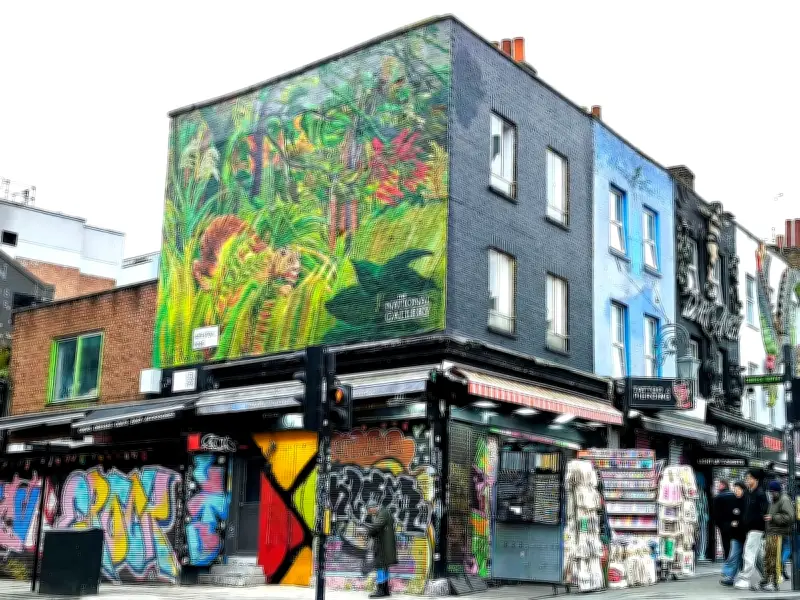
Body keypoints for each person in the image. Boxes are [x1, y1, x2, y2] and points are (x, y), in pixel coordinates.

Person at [734, 469, 770, 590]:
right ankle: (769, 577)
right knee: (758, 555)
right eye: (746, 478)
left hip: (757, 528)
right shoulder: (750, 493)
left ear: (756, 479)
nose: (747, 480)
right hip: (750, 528)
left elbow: (766, 510)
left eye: (749, 478)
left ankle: (745, 579)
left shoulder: (760, 493)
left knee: (748, 552)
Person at [761, 481, 795, 591]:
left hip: (779, 534)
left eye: (772, 492)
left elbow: (790, 517)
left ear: (777, 491)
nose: (771, 494)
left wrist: (773, 518)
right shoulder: (774, 500)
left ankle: (774, 583)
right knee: (769, 558)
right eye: (770, 492)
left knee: (774, 559)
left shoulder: (784, 499)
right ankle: (769, 581)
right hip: (772, 533)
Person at [365, 502, 398, 598]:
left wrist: (369, 532)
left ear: (373, 508)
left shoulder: (383, 513)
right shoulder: (384, 512)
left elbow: (376, 527)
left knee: (380, 566)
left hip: (383, 547)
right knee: (384, 567)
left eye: (369, 510)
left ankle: (380, 590)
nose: (369, 513)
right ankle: (385, 590)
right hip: (384, 546)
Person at [720, 481, 747, 586]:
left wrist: (738, 523)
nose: (736, 491)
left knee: (754, 558)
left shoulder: (747, 501)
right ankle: (730, 577)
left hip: (747, 534)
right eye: (735, 489)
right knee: (733, 555)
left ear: (743, 490)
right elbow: (729, 516)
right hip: (736, 535)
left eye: (738, 489)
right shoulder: (733, 501)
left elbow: (747, 517)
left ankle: (767, 575)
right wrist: (731, 524)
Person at [713, 480, 737, 560]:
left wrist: (717, 523)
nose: (718, 486)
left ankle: (727, 558)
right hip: (734, 523)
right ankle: (734, 557)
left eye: (719, 485)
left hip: (723, 524)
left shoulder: (718, 497)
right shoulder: (734, 495)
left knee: (725, 541)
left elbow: (716, 513)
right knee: (734, 540)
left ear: (723, 485)